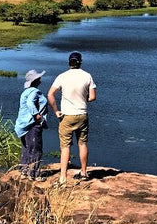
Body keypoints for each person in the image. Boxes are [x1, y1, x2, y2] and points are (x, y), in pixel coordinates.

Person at [47, 52, 97, 184]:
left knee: (65, 146)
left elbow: (50, 94)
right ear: (80, 62)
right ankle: (84, 172)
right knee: (82, 143)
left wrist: (56, 111)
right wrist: (83, 98)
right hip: (82, 114)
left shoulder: (62, 76)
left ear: (69, 63)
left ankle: (63, 177)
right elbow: (92, 97)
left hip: (67, 115)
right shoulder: (87, 76)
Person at [14, 69, 48, 179]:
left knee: (26, 148)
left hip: (23, 125)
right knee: (36, 149)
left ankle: (24, 171)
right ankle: (34, 174)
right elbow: (30, 103)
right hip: (32, 124)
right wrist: (37, 116)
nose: (40, 80)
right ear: (35, 81)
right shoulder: (35, 92)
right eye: (38, 78)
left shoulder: (25, 92)